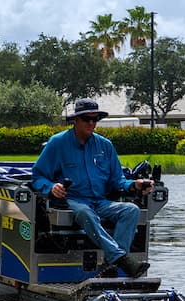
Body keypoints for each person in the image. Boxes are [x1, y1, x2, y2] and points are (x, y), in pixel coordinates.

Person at [31, 98, 154, 277]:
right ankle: (121, 259)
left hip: (100, 202)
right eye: (87, 119)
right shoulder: (57, 143)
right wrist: (51, 187)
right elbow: (38, 176)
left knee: (131, 210)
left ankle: (112, 263)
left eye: (94, 119)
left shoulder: (105, 146)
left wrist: (134, 184)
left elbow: (117, 181)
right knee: (85, 213)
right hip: (72, 201)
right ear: (76, 120)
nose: (91, 123)